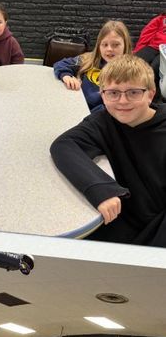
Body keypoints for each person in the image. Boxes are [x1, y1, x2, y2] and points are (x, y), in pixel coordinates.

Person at [52, 54, 166, 244]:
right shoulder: (103, 121)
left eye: (133, 92)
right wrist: (101, 189)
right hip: (123, 219)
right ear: (102, 95)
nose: (123, 101)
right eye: (113, 93)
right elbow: (64, 145)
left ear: (151, 94)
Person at [53, 20, 132, 111]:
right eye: (105, 44)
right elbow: (61, 64)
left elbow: (112, 110)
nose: (109, 49)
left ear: (126, 45)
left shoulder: (131, 74)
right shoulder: (89, 60)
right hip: (74, 106)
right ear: (99, 45)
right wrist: (66, 76)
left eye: (115, 45)